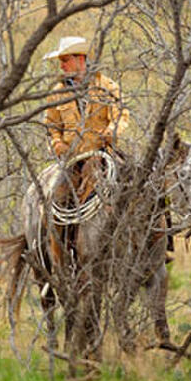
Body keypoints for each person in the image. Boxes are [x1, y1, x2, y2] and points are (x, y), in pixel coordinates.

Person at [42, 35, 130, 260]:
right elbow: (51, 125)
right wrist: (57, 143)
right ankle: (60, 254)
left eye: (66, 60)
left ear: (81, 59)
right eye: (60, 61)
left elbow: (121, 116)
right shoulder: (58, 92)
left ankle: (154, 242)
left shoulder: (107, 86)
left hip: (104, 155)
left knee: (139, 183)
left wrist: (110, 132)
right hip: (73, 159)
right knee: (57, 199)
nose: (61, 66)